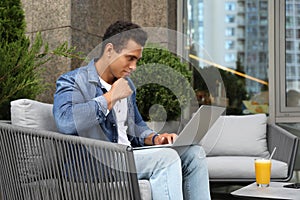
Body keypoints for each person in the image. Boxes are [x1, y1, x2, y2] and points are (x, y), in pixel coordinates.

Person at [53, 20, 211, 200]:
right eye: (130, 58)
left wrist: (155, 138)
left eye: (137, 60)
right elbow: (65, 122)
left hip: (128, 157)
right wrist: (110, 97)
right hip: (95, 164)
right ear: (110, 50)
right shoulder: (73, 81)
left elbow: (136, 126)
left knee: (194, 154)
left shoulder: (128, 86)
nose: (134, 67)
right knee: (166, 160)